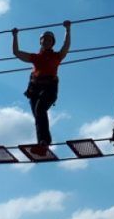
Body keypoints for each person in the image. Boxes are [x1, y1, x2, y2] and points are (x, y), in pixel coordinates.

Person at [12, 21, 71, 154]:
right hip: (34, 90)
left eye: (49, 40)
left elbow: (66, 46)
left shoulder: (57, 56)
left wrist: (68, 29)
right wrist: (15, 36)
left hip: (49, 89)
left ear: (52, 43)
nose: (47, 41)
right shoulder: (36, 57)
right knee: (38, 116)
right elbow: (16, 52)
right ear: (41, 42)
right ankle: (42, 145)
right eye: (44, 39)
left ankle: (44, 142)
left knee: (40, 110)